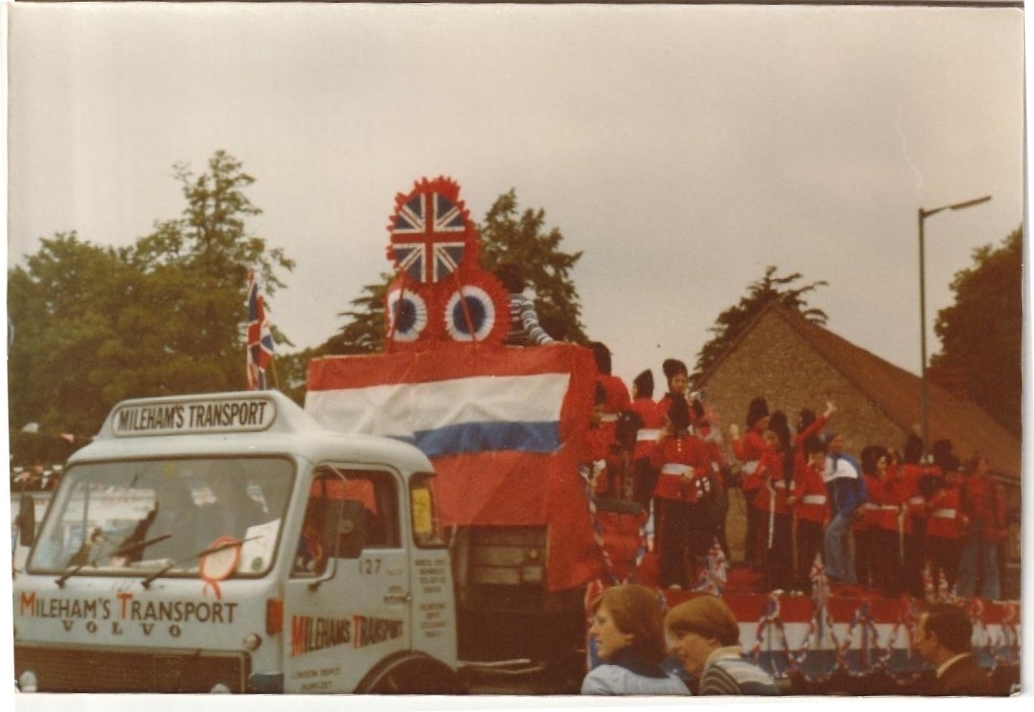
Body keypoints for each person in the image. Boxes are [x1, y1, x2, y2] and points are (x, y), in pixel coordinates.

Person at [650, 396, 712, 589]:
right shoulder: (665, 441)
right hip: (666, 494)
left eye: (669, 419)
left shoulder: (694, 443)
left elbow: (704, 467)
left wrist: (693, 474)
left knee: (682, 538)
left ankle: (682, 578)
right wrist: (658, 444)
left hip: (686, 494)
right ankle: (667, 578)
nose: (666, 422)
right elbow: (655, 464)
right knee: (667, 538)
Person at [581, 584, 689, 695]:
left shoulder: (602, 681)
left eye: (602, 621)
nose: (592, 631)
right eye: (593, 623)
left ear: (629, 629)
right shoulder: (678, 686)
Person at [665, 595, 779, 695]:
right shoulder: (756, 671)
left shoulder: (717, 676)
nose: (673, 646)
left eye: (681, 636)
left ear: (710, 635)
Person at [914, 603, 997, 695]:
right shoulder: (965, 675)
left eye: (918, 634)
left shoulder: (959, 687)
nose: (916, 642)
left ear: (933, 638)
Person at [729, 396, 772, 569]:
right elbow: (763, 452)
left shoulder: (755, 436)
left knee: (756, 524)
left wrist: (734, 437)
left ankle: (753, 558)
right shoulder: (753, 437)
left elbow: (740, 453)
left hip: (755, 483)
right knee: (757, 523)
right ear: (754, 421)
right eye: (763, 422)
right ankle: (753, 559)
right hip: (754, 484)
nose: (766, 425)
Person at [957, 454, 1006, 600]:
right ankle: (965, 594)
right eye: (983, 465)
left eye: (986, 465)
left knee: (990, 562)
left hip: (988, 525)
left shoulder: (992, 484)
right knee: (969, 562)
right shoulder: (966, 484)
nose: (986, 468)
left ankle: (990, 596)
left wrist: (1000, 526)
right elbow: (960, 504)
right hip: (972, 526)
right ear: (976, 467)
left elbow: (999, 506)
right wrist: (962, 519)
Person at [822, 432, 866, 587]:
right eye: (836, 441)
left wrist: (861, 504)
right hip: (835, 509)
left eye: (841, 441)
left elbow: (860, 484)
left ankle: (834, 571)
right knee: (844, 542)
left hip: (849, 507)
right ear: (828, 443)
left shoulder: (850, 461)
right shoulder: (824, 461)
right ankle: (850, 578)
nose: (839, 444)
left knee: (831, 534)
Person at [787, 434, 829, 594]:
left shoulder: (820, 476)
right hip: (806, 518)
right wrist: (808, 465)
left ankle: (809, 583)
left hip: (817, 519)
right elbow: (802, 488)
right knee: (804, 553)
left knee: (813, 553)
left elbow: (826, 500)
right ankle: (801, 584)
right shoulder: (806, 471)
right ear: (811, 457)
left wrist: (826, 517)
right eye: (818, 458)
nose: (822, 461)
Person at [495, 262, 555, 346]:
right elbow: (532, 327)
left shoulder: (494, 304)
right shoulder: (524, 302)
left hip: (498, 351)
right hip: (519, 352)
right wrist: (548, 342)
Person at [628, 369, 663, 511]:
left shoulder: (633, 407)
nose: (632, 391)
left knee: (640, 500)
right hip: (657, 459)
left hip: (641, 459)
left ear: (639, 389)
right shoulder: (658, 408)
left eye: (634, 387)